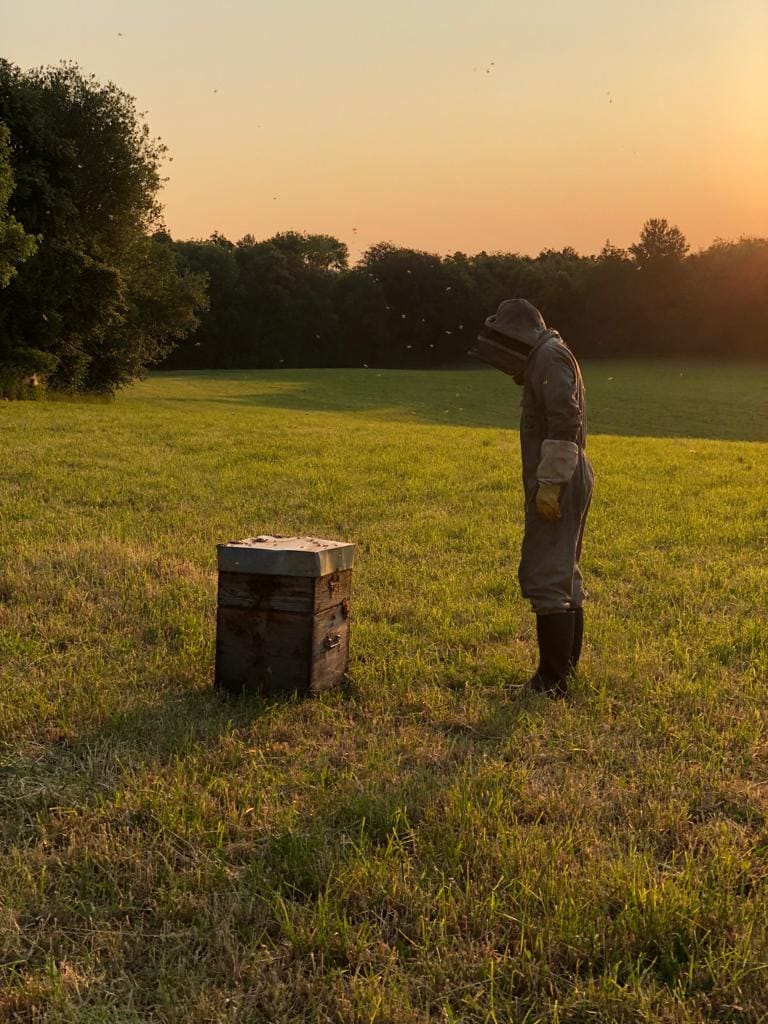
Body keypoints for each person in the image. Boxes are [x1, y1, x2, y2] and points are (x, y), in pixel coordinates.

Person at [472, 299, 594, 697]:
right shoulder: (547, 354)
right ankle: (562, 677)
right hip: (562, 476)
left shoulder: (549, 357)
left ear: (516, 337)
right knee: (562, 575)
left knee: (546, 574)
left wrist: (551, 484)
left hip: (560, 479)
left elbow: (566, 420)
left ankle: (552, 681)